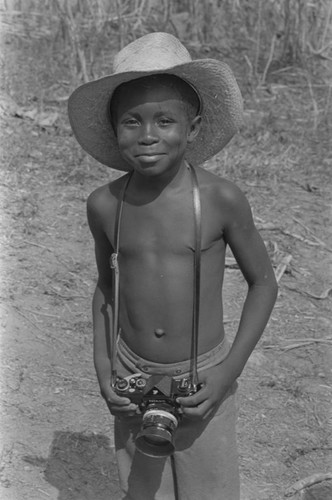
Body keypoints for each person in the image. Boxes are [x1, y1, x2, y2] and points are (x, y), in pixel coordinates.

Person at [68, 32, 278, 500]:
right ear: (113, 128)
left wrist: (228, 371)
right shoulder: (105, 205)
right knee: (143, 490)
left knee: (211, 489)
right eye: (131, 122)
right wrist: (105, 368)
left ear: (194, 127)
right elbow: (106, 286)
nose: (147, 135)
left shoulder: (220, 199)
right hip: (132, 374)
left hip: (203, 375)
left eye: (165, 120)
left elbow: (263, 282)